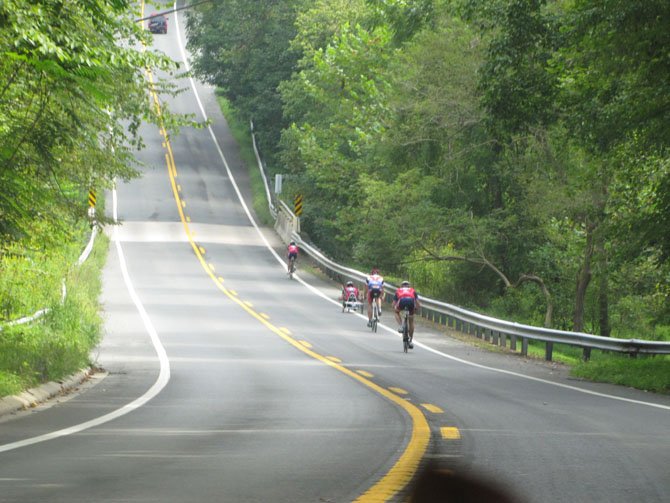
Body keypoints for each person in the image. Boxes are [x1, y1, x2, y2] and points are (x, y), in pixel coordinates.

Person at [393, 280, 420, 349]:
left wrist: (395, 308)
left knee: (396, 311)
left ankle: (401, 326)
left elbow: (393, 304)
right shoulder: (412, 290)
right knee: (411, 321)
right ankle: (410, 340)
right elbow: (417, 303)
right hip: (411, 301)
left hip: (402, 300)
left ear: (401, 286)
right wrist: (416, 309)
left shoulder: (398, 290)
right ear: (409, 286)